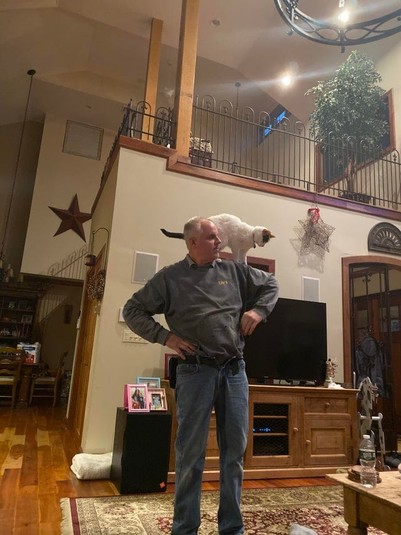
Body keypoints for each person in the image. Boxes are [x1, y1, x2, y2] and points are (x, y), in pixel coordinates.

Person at [123, 216, 279, 535]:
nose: (219, 241)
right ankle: (185, 529)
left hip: (234, 371)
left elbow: (270, 284)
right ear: (193, 242)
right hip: (195, 371)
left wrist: (258, 310)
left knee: (234, 454)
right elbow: (133, 310)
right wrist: (166, 337)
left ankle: (232, 528)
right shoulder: (170, 278)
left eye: (218, 236)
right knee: (190, 454)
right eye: (211, 237)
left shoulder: (234, 271)